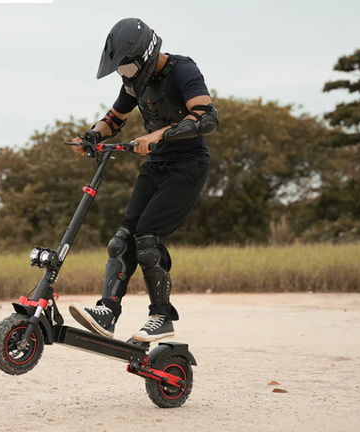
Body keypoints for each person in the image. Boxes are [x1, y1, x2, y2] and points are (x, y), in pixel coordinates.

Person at [68, 17, 218, 342]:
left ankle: (161, 317)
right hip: (157, 165)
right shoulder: (136, 82)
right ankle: (107, 312)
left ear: (145, 55)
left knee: (147, 239)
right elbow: (114, 117)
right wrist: (92, 136)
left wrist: (161, 133)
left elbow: (206, 117)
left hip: (187, 166)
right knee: (121, 240)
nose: (124, 77)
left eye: (126, 69)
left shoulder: (183, 70)